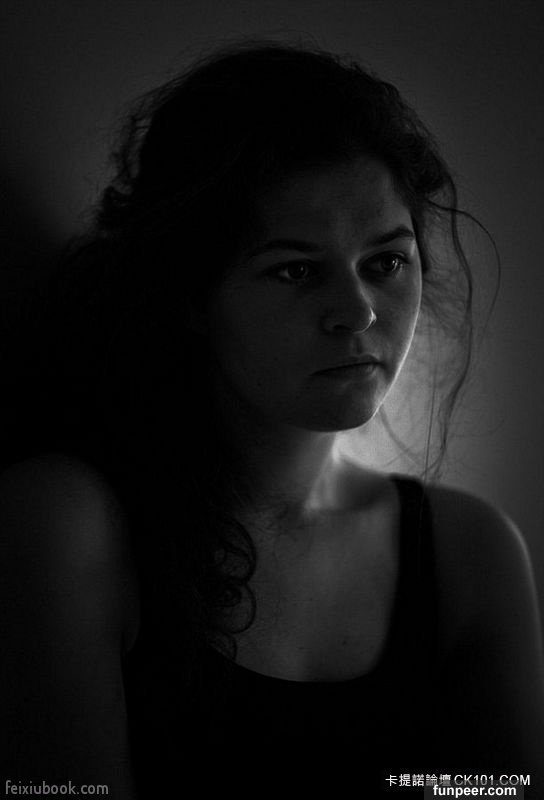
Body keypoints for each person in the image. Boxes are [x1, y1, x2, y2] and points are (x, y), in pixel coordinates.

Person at [1, 40, 543, 798]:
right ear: (190, 294)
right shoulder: (68, 528)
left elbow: (496, 789)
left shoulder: (470, 552)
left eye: (386, 262)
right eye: (296, 270)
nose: (358, 312)